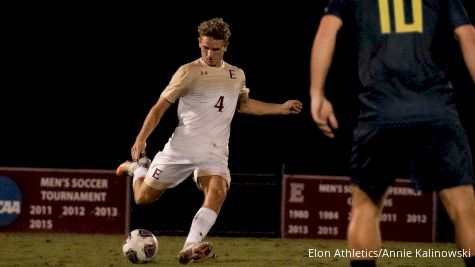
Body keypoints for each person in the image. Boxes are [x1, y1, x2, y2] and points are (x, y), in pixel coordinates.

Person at [116, 17, 302, 264]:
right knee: (143, 198)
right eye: (205, 47)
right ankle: (139, 168)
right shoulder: (188, 72)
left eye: (215, 49)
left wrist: (280, 107)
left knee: (218, 189)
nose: (210, 53)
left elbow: (244, 106)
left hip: (214, 153)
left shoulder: (237, 75)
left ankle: (190, 245)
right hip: (181, 148)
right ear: (199, 43)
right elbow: (159, 108)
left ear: (225, 46)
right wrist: (141, 138)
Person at [310, 1, 475, 266]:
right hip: (435, 108)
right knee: (464, 212)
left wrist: (317, 93)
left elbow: (326, 32)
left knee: (365, 208)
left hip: (380, 110)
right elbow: (467, 35)